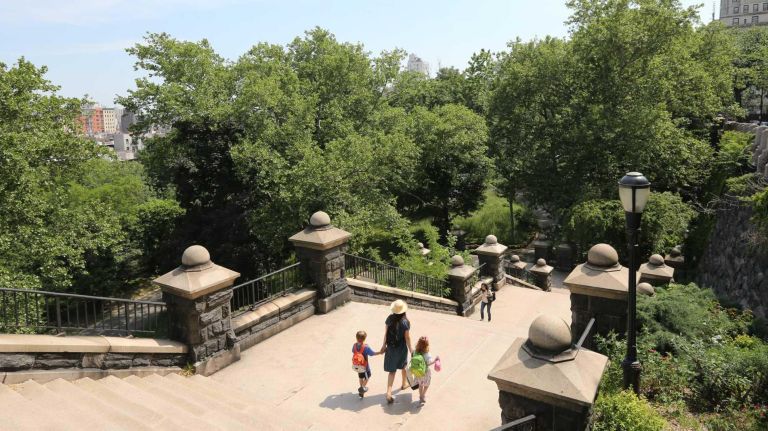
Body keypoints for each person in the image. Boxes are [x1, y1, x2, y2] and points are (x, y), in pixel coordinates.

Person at [380, 299, 412, 404]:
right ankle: (404, 384)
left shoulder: (389, 319)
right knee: (403, 365)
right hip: (401, 348)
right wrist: (411, 350)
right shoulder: (405, 322)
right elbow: (407, 338)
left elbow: (386, 333)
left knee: (392, 371)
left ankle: (389, 392)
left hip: (390, 348)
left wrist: (383, 345)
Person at [352, 330, 380, 398]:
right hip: (365, 367)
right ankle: (362, 388)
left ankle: (362, 391)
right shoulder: (366, 347)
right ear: (364, 339)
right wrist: (380, 352)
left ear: (356, 338)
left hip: (357, 366)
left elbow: (353, 351)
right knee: (368, 376)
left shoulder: (354, 345)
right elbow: (372, 353)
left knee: (361, 377)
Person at [412, 336, 438, 407]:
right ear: (427, 345)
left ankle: (420, 396)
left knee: (421, 385)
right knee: (427, 385)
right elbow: (428, 363)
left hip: (418, 373)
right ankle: (423, 395)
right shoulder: (427, 354)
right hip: (425, 372)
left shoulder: (415, 352)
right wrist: (435, 360)